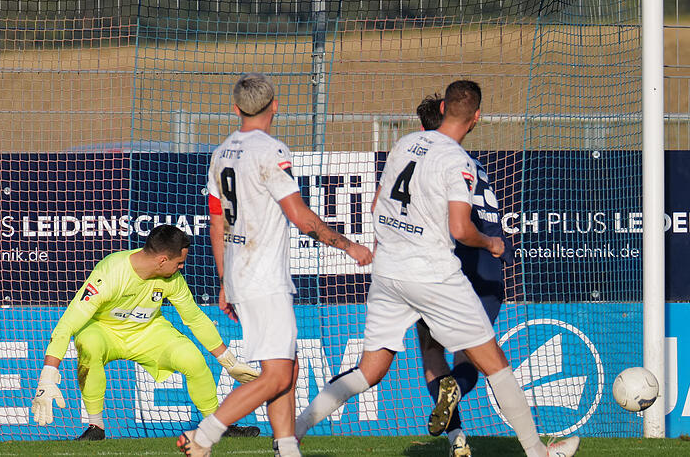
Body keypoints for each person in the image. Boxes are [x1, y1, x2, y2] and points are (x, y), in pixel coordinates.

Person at [294, 81, 580, 457]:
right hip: (433, 274)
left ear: (443, 107)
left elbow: (378, 205)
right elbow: (460, 229)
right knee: (495, 364)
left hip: (388, 273)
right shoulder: (459, 161)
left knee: (369, 372)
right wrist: (490, 242)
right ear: (476, 117)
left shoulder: (405, 143)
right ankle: (538, 452)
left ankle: (293, 433)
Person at [176, 73, 373, 457]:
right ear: (275, 106)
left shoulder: (221, 152)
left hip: (241, 274)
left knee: (288, 368)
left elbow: (216, 223)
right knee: (278, 375)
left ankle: (286, 447)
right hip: (263, 277)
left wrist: (225, 280)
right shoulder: (271, 151)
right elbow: (300, 216)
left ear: (235, 109)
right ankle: (202, 436)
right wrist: (348, 245)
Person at [31, 224, 261, 440]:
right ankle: (96, 427)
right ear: (162, 260)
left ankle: (218, 426)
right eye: (179, 263)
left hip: (148, 332)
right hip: (104, 331)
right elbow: (67, 323)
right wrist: (49, 373)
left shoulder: (172, 279)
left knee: (191, 358)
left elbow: (195, 318)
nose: (181, 267)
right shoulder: (111, 273)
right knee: (88, 342)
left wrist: (228, 361)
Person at [414, 93, 513, 456]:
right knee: (471, 354)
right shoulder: (472, 163)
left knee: (431, 350)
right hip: (491, 270)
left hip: (452, 265)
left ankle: (456, 437)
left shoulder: (428, 164)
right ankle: (457, 405)